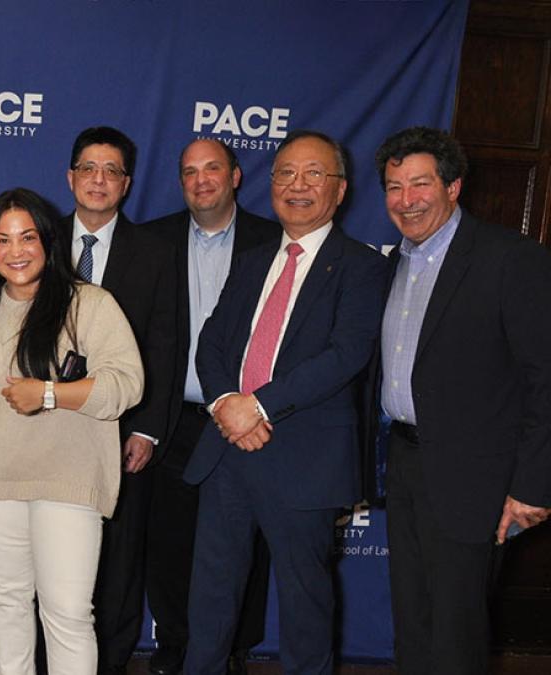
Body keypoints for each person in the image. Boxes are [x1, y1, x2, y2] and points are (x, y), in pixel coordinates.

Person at [182, 131, 388, 675]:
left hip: (303, 456)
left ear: (340, 189)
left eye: (313, 174)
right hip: (227, 450)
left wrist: (259, 406)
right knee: (210, 597)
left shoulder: (362, 267)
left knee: (305, 604)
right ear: (268, 184)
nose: (297, 186)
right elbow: (213, 340)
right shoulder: (252, 261)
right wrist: (228, 403)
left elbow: (346, 354)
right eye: (285, 174)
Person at [372, 127, 551, 675]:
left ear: (453, 187)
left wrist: (533, 485)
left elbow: (546, 376)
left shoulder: (510, 259)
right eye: (394, 186)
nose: (406, 200)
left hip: (476, 478)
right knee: (413, 622)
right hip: (404, 464)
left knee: (456, 632)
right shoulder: (392, 265)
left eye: (420, 184)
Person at [0, 187, 144, 674]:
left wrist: (49, 394)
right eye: (1, 240)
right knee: (8, 607)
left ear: (49, 242)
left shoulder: (91, 304)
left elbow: (127, 386)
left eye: (27, 237)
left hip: (69, 481)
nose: (15, 251)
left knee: (68, 614)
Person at [143, 139, 279, 675]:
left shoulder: (273, 241)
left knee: (244, 541)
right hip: (177, 417)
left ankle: (234, 647)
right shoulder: (154, 240)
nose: (201, 180)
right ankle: (175, 642)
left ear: (237, 176)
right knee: (171, 539)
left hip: (249, 419)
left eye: (212, 169)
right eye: (189, 172)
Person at [60, 126, 176, 674]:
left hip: (122, 428)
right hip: (48, 427)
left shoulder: (156, 252)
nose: (98, 180)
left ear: (126, 183)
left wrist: (148, 428)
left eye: (110, 171)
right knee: (55, 557)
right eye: (88, 168)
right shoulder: (35, 239)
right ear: (71, 177)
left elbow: (166, 341)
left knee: (121, 559)